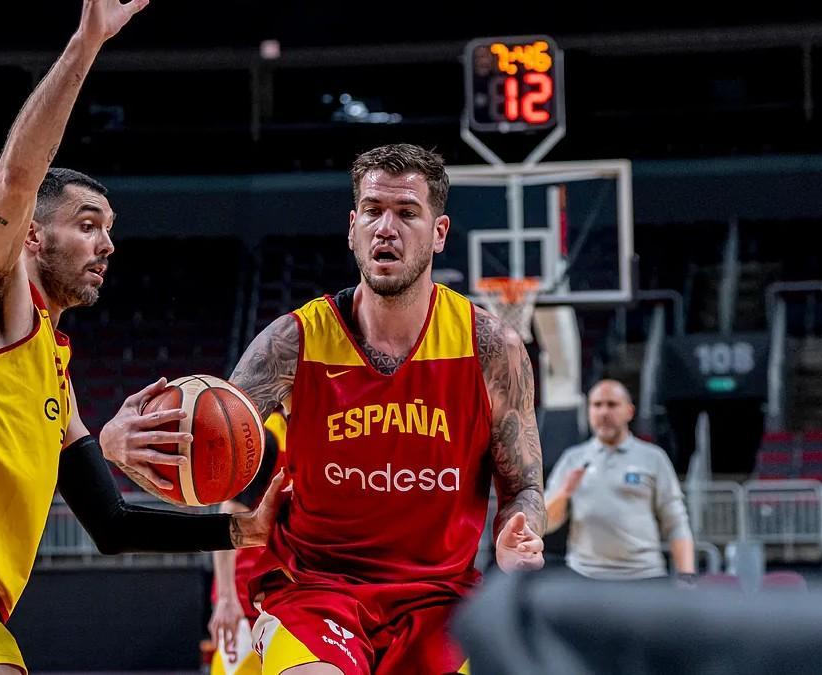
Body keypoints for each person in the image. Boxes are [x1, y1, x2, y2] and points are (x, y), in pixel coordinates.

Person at [0, 4, 281, 674]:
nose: (108, 243)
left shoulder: (54, 370)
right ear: (34, 237)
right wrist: (85, 45)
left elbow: (112, 524)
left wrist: (240, 528)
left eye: (109, 227)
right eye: (88, 223)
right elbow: (16, 180)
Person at [118, 143, 546, 675]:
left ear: (439, 232)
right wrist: (126, 445)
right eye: (372, 211)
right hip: (317, 591)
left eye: (407, 213)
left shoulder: (491, 347)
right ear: (352, 226)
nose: (386, 228)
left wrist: (521, 529)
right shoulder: (292, 343)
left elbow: (522, 482)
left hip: (439, 601)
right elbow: (212, 447)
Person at [544, 379, 696, 584]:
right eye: (597, 405)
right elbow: (546, 523)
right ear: (589, 412)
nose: (604, 412)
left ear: (629, 411)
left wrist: (687, 578)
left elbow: (676, 522)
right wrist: (565, 492)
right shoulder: (572, 459)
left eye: (612, 404)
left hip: (644, 576)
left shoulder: (653, 457)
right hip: (585, 577)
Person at [207, 408, 288, 675]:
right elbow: (229, 512)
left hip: (292, 596)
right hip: (247, 599)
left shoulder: (322, 437)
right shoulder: (265, 438)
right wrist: (227, 598)